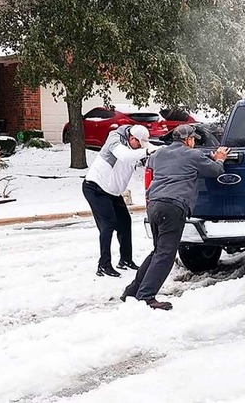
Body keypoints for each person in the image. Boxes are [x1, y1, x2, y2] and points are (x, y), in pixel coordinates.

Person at [121, 124, 230, 310]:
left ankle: (132, 291)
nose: (194, 142)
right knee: (166, 255)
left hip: (154, 205)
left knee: (158, 251)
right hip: (173, 207)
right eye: (193, 139)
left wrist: (206, 157)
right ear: (188, 140)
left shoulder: (159, 154)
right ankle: (146, 296)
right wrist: (219, 159)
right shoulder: (193, 155)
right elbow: (215, 171)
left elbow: (174, 162)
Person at [83, 124, 157, 278]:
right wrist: (146, 151)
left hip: (113, 192)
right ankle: (103, 265)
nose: (139, 149)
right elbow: (124, 156)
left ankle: (125, 260)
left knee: (125, 222)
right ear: (131, 138)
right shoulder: (114, 139)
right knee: (107, 225)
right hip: (96, 188)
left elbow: (141, 161)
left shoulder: (135, 147)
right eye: (139, 144)